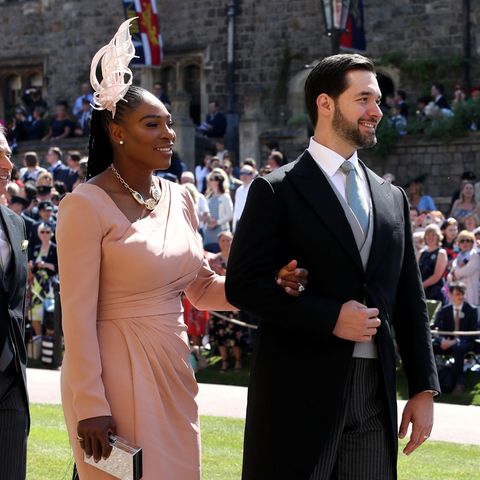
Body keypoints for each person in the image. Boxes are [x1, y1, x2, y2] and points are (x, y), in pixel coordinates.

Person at [56, 19, 307, 480]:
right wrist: (91, 405)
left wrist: (265, 284)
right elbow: (76, 315)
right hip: (112, 379)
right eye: (152, 124)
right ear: (117, 132)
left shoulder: (181, 196)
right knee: (123, 477)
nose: (168, 134)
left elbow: (201, 288)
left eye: (170, 124)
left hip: (174, 369)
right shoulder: (82, 206)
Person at [225, 53, 439, 480]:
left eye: (377, 100)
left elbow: (409, 297)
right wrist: (329, 318)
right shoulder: (274, 189)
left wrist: (422, 387)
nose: (377, 111)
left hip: (374, 393)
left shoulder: (391, 198)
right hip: (296, 391)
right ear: (325, 104)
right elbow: (243, 285)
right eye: (363, 99)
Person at [0, 125, 29, 479]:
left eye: (9, 154)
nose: (9, 162)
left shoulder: (17, 224)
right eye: (1, 153)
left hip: (11, 380)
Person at [432, 281, 479, 394]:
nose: (461, 297)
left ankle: (459, 382)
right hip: (447, 343)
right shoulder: (445, 310)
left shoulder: (472, 310)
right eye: (458, 294)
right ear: (450, 295)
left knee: (458, 347)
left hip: (467, 343)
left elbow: (474, 333)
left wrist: (454, 342)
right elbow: (435, 327)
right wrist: (441, 340)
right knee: (430, 345)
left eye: (463, 294)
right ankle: (433, 381)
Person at [203, 170, 233, 253]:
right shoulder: (208, 197)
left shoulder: (225, 197)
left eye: (212, 179)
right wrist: (208, 220)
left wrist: (217, 222)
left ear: (218, 182)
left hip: (221, 234)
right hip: (208, 235)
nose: (209, 181)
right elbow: (204, 212)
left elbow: (230, 214)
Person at [449, 230, 480, 306]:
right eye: (462, 241)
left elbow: (467, 271)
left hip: (471, 295)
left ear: (473, 243)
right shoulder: (457, 258)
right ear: (459, 244)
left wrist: (455, 273)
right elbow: (449, 277)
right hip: (457, 296)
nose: (465, 243)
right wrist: (453, 275)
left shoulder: (475, 256)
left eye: (468, 240)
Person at [419, 224, 448, 304]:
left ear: (438, 237)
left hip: (435, 292)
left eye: (433, 235)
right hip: (422, 292)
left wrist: (421, 286)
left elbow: (437, 276)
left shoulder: (441, 253)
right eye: (428, 235)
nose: (430, 237)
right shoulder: (422, 252)